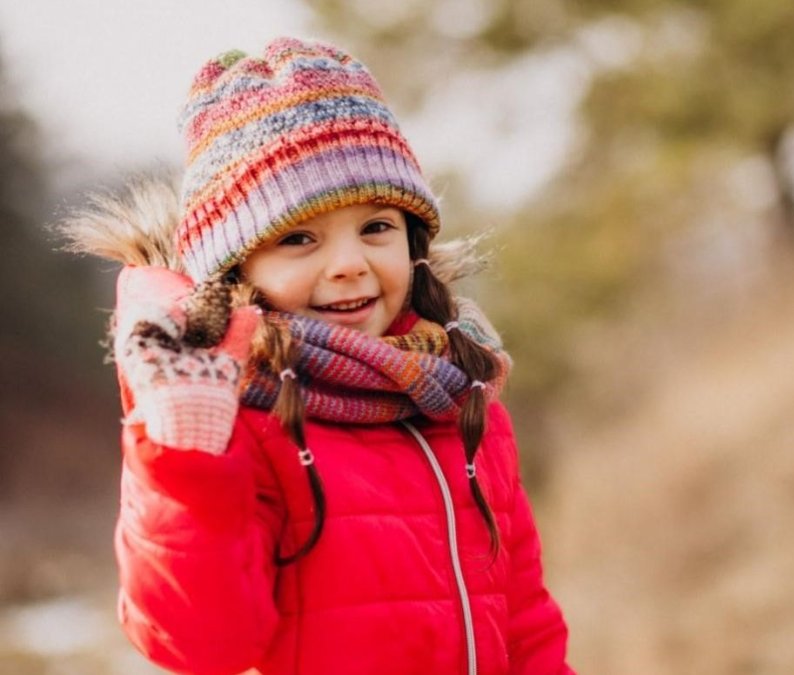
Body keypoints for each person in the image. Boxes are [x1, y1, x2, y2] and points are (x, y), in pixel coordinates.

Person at [64, 36, 573, 674]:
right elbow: (203, 645)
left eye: (377, 227)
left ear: (412, 240)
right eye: (299, 238)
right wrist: (184, 455)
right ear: (237, 267)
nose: (348, 265)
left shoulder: (463, 399)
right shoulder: (237, 418)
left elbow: (524, 622)